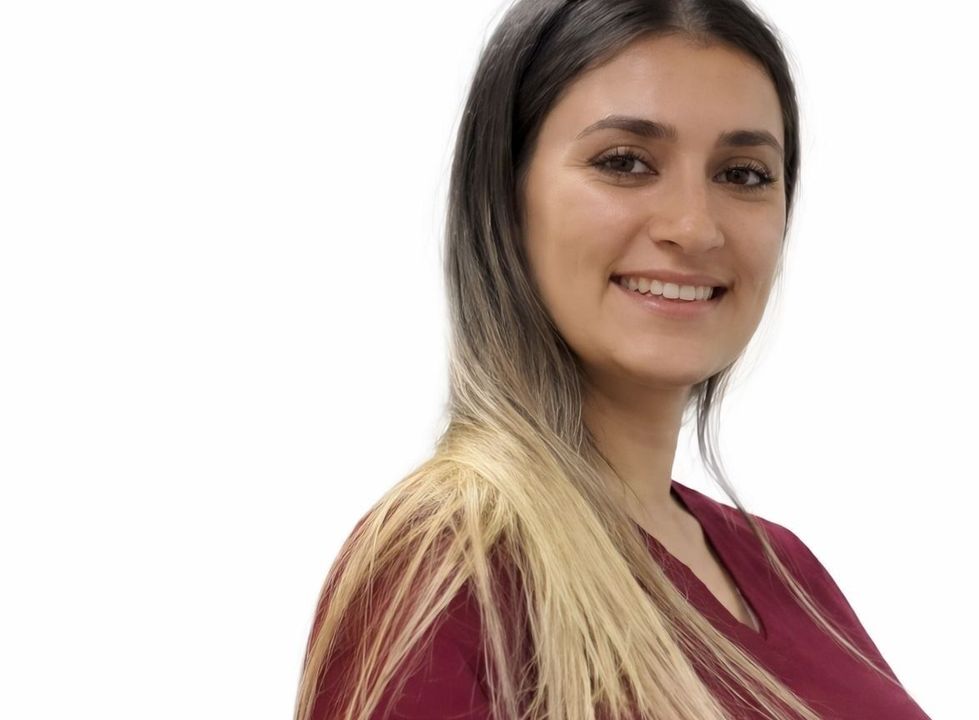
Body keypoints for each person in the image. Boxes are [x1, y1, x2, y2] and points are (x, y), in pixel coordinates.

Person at [294, 1, 932, 718]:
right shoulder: (444, 568)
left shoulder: (789, 573)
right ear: (504, 197)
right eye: (624, 162)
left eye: (744, 174)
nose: (695, 227)